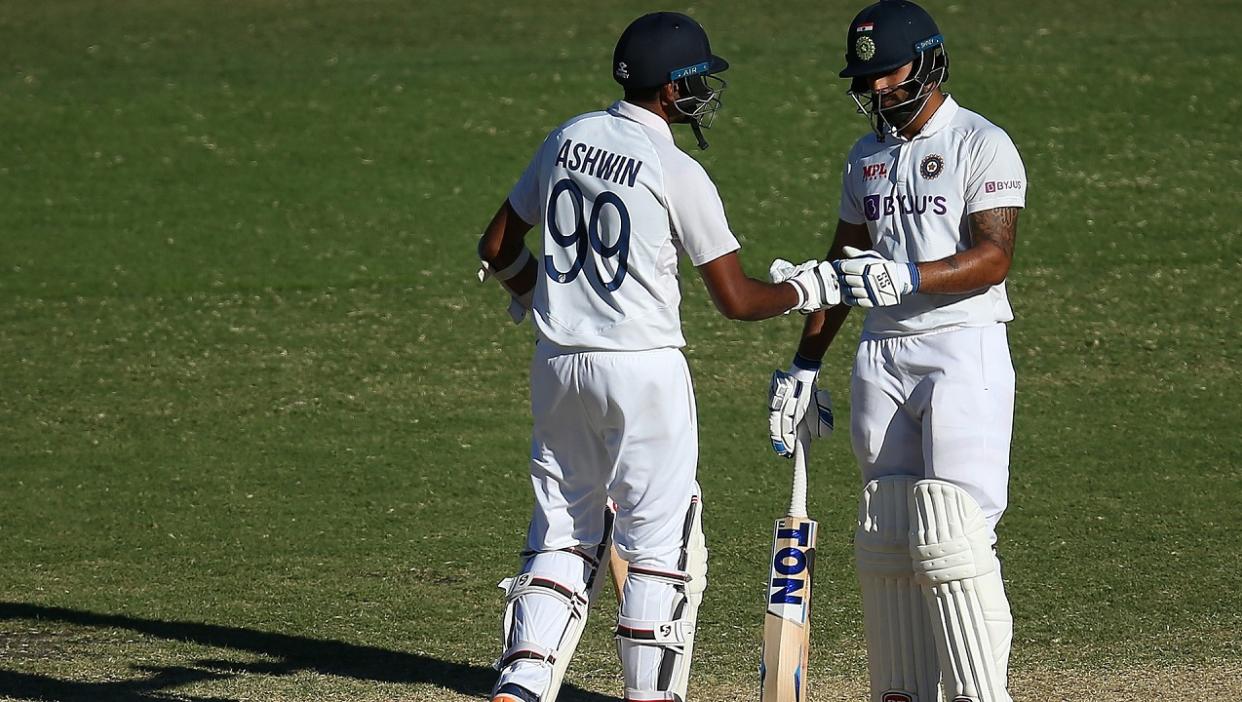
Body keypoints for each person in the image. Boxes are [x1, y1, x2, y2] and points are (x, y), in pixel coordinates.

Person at [476, 12, 840, 702]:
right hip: (644, 373)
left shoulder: (567, 139)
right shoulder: (675, 169)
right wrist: (803, 289)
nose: (704, 90)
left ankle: (521, 684)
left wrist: (540, 296)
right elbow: (735, 299)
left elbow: (497, 246)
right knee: (656, 548)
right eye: (696, 80)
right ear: (669, 92)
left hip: (558, 366)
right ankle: (650, 696)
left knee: (561, 534)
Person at [766, 1, 1027, 700]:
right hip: (882, 353)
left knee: (957, 538)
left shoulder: (981, 142)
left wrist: (910, 275)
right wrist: (804, 363)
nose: (879, 87)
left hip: (960, 345)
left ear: (931, 61)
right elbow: (842, 264)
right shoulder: (866, 156)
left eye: (891, 72)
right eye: (868, 76)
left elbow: (994, 256)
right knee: (888, 532)